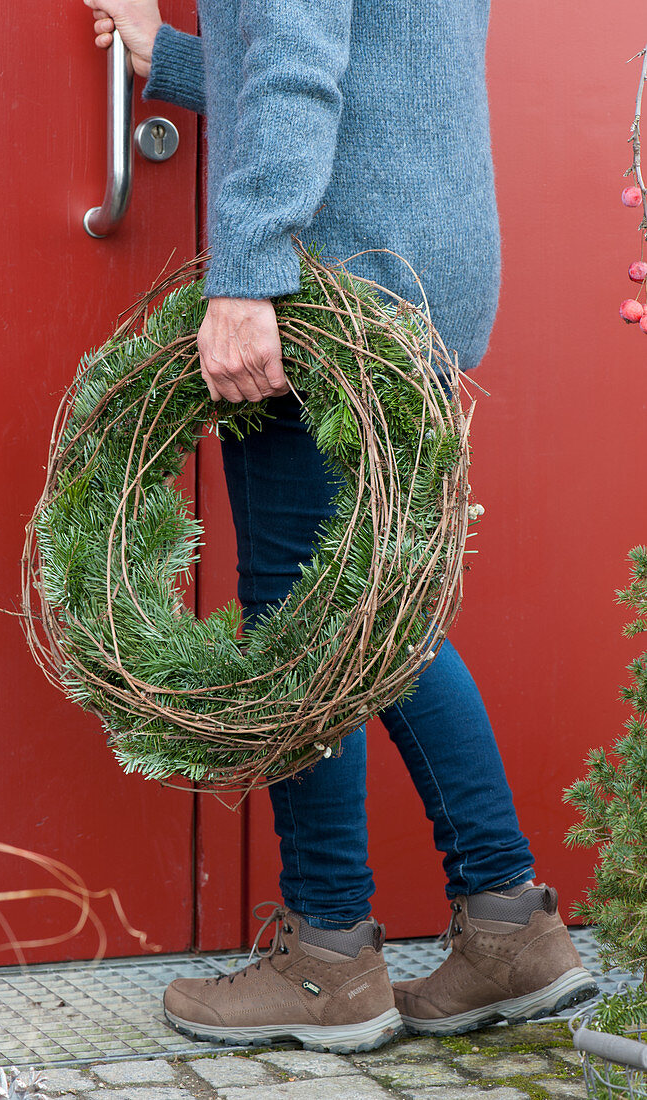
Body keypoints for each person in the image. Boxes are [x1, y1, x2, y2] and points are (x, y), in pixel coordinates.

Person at [84, 0, 598, 1053]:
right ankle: (508, 925)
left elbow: (298, 68)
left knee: (309, 611)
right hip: (416, 260)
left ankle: (327, 958)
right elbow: (384, 63)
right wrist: (167, 54)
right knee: (367, 604)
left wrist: (249, 271)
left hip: (332, 276)